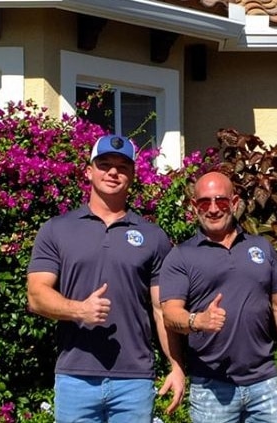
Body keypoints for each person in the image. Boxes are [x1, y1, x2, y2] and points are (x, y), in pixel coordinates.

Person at [26, 134, 186, 422]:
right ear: (89, 171)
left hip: (134, 380)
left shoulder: (154, 236)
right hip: (76, 377)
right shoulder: (57, 230)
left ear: (133, 174)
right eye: (105, 164)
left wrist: (176, 366)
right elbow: (36, 295)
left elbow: (162, 308)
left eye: (122, 166)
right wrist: (79, 310)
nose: (113, 172)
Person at [158, 171, 277, 423]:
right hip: (212, 387)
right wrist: (197, 321)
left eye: (221, 201)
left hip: (264, 383)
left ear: (234, 203)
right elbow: (170, 314)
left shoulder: (261, 248)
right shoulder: (181, 256)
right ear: (194, 206)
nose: (213, 209)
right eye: (204, 202)